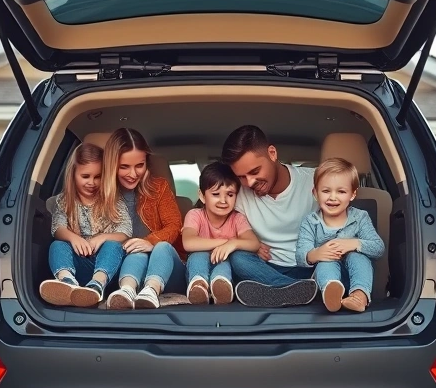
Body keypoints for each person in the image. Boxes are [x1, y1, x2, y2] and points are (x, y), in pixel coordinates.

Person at [220, 125, 319, 307]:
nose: (249, 182)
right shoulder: (236, 195)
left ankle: (283, 293)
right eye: (241, 176)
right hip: (264, 269)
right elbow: (210, 226)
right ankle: (294, 291)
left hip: (312, 268)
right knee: (238, 258)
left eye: (255, 171)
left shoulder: (315, 181)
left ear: (272, 153)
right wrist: (249, 243)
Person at [101, 128, 185, 310]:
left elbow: (174, 225)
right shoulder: (100, 195)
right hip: (122, 274)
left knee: (162, 247)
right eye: (124, 167)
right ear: (111, 164)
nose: (133, 174)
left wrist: (150, 242)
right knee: (134, 255)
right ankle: (127, 291)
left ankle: (150, 291)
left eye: (139, 165)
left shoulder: (159, 187)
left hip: (164, 271)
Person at [39, 143, 130, 307]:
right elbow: (57, 228)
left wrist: (102, 237)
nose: (92, 182)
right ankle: (67, 282)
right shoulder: (64, 201)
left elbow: (125, 231)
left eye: (98, 177)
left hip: (109, 267)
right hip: (79, 263)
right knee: (57, 245)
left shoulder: (113, 200)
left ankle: (97, 286)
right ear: (73, 174)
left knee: (113, 245)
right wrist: (73, 238)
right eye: (85, 176)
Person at [296, 157, 385, 312]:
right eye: (326, 191)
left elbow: (378, 248)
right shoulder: (310, 222)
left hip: (358, 277)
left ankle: (359, 296)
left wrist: (353, 244)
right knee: (326, 261)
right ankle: (332, 295)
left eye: (341, 191)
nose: (333, 197)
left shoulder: (360, 217)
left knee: (358, 256)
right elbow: (300, 255)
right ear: (315, 193)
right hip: (326, 278)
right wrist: (317, 253)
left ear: (352, 194)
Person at [181, 162, 261, 304]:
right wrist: (229, 242)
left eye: (230, 194)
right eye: (216, 194)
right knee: (198, 255)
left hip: (226, 271)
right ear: (202, 196)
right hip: (197, 269)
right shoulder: (195, 215)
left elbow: (254, 243)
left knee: (225, 260)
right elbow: (188, 243)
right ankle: (198, 286)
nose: (223, 201)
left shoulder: (237, 218)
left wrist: (234, 244)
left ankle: (221, 286)